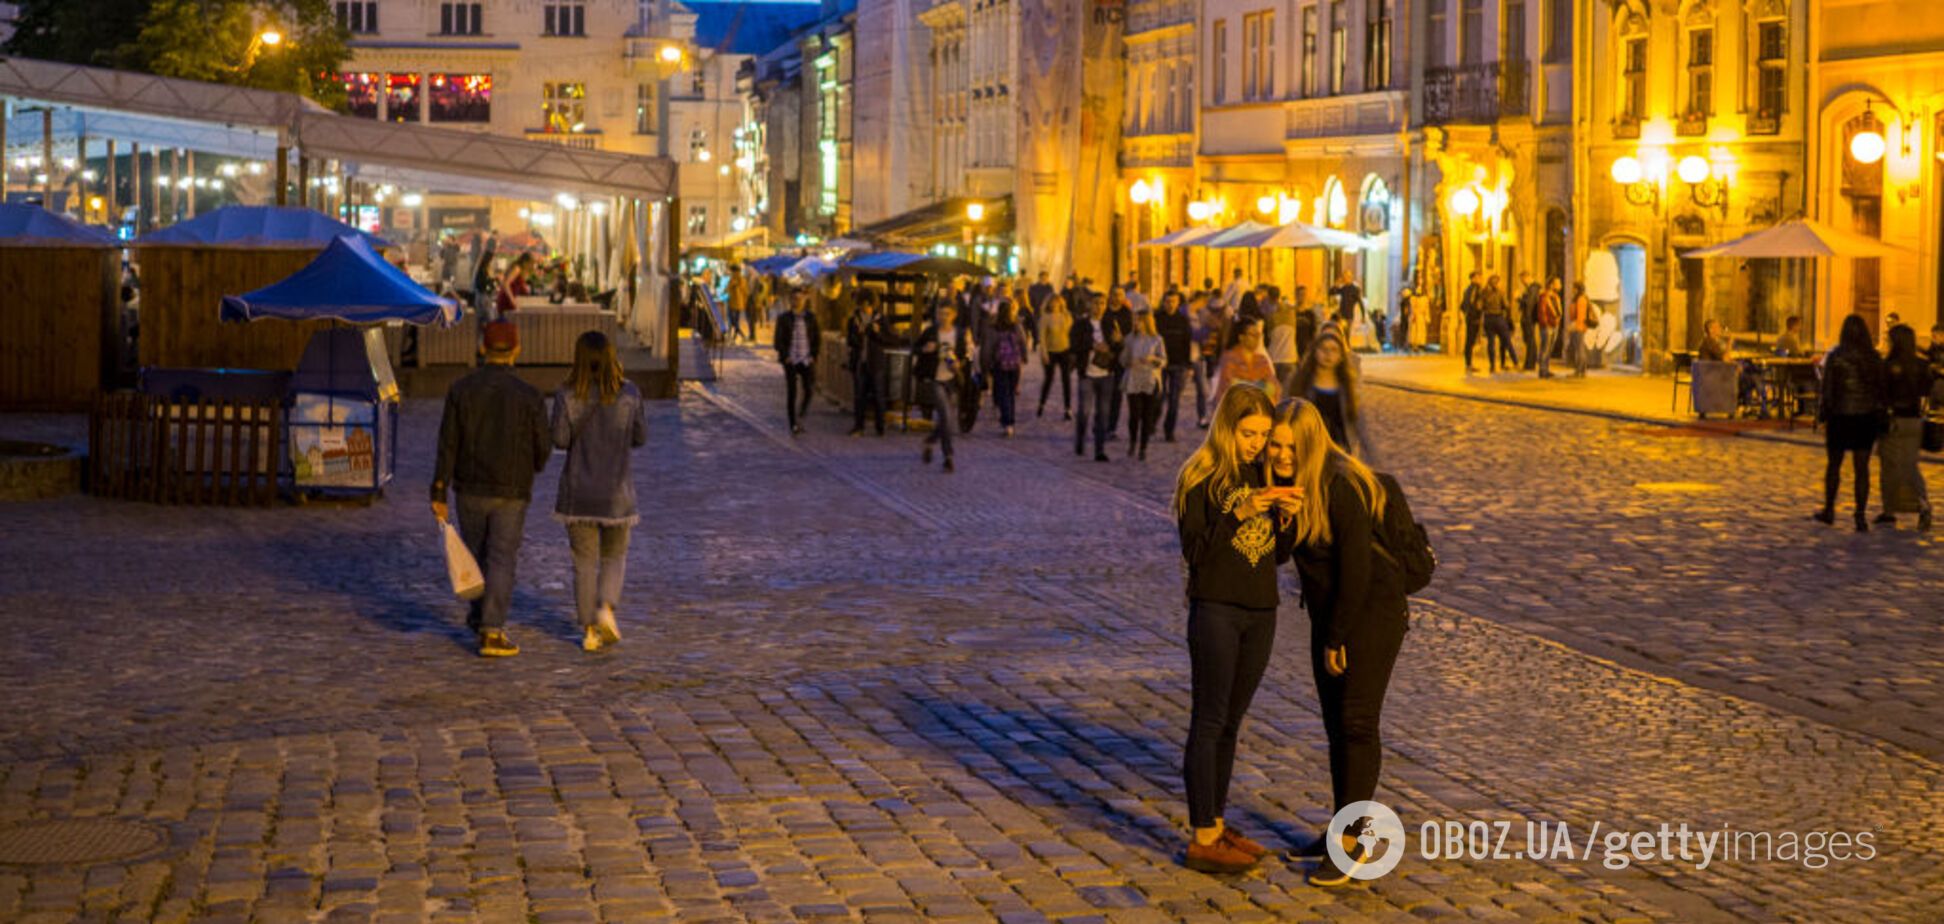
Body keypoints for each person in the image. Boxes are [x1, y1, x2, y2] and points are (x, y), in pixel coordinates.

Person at [1270, 398, 1407, 888]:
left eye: (1290, 446)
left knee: (1356, 722)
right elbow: (1282, 556)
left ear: (1310, 442)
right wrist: (1281, 512)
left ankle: (1354, 843)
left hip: (1370, 613)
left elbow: (1357, 570)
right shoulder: (1295, 484)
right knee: (1334, 725)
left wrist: (1338, 637)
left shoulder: (1341, 484)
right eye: (1276, 445)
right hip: (1333, 615)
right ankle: (1339, 829)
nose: (1282, 454)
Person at [1172, 383, 1296, 875]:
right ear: (1227, 427)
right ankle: (1202, 836)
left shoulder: (1260, 471)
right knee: (1208, 719)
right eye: (1249, 434)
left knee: (1231, 722)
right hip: (1216, 610)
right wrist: (1239, 512)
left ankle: (1218, 823)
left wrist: (1286, 519)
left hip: (1261, 611)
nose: (1257, 444)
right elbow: (1196, 552)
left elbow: (1276, 555)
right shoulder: (1200, 477)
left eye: (1263, 435)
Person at [431, 321, 552, 658]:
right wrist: (533, 467)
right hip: (512, 487)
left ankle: (478, 615)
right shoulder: (529, 395)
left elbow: (447, 444)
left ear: (483, 349)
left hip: (469, 486)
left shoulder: (461, 389)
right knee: (501, 557)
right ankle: (492, 629)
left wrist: (439, 490)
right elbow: (543, 445)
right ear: (516, 350)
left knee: (476, 552)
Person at [550, 331, 647, 653]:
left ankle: (589, 629)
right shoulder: (630, 393)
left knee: (584, 562)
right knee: (614, 556)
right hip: (617, 493)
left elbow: (560, 440)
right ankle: (606, 607)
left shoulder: (566, 395)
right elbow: (639, 437)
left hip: (578, 493)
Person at [1815, 314, 1889, 531]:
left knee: (1834, 466)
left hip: (1840, 415)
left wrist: (1823, 415)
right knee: (1862, 468)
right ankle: (1860, 515)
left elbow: (1827, 388)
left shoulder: (1837, 356)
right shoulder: (1874, 357)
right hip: (1865, 417)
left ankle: (1829, 509)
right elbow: (1881, 389)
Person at [1877, 324, 1934, 530]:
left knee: (1889, 467)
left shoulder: (1888, 364)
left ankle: (1889, 510)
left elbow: (1882, 393)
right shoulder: (1921, 364)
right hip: (1914, 419)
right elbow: (1927, 390)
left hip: (1893, 420)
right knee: (1910, 465)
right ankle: (1923, 502)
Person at [1287, 327, 1372, 460]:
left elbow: (1361, 428)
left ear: (1340, 356)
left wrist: (1373, 463)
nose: (1328, 354)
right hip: (1309, 450)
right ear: (1315, 352)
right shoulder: (1300, 382)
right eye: (1323, 349)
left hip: (1340, 451)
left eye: (1333, 350)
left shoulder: (1348, 387)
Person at [913, 303, 967, 473]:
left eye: (947, 314)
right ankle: (948, 457)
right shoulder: (930, 332)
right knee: (945, 415)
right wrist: (925, 349)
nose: (943, 317)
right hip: (935, 378)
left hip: (952, 379)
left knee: (947, 420)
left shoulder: (959, 333)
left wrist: (960, 363)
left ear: (954, 315)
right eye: (940, 313)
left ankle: (930, 441)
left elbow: (966, 354)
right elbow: (914, 348)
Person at [1073, 294, 1118, 462]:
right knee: (1084, 411)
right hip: (1087, 374)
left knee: (1103, 414)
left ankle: (1100, 449)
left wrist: (1115, 344)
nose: (1099, 307)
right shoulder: (1081, 324)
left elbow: (1118, 347)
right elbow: (1074, 344)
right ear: (1089, 305)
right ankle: (1080, 439)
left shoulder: (1109, 323)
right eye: (1096, 303)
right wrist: (1092, 345)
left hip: (1106, 374)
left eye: (1102, 303)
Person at [773, 289, 820, 435]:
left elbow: (817, 338)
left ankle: (801, 415)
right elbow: (778, 340)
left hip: (806, 359)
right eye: (794, 299)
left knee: (809, 390)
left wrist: (813, 355)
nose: (797, 301)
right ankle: (793, 423)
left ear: (804, 300)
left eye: (800, 299)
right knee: (792, 392)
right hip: (791, 359)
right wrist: (785, 355)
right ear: (790, 300)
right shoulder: (784, 318)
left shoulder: (811, 318)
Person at [1122, 310, 1167, 460]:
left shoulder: (1157, 339)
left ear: (1146, 322)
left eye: (1139, 320)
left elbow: (1163, 360)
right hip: (1133, 379)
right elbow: (1122, 360)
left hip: (1150, 379)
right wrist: (1129, 361)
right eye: (1134, 320)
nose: (1136, 323)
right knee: (1134, 414)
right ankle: (1132, 442)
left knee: (1147, 415)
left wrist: (1152, 359)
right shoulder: (1129, 339)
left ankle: (1143, 447)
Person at [845, 291, 892, 437]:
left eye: (867, 305)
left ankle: (880, 427)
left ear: (872, 304)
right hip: (860, 362)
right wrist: (858, 334)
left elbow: (889, 339)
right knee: (859, 396)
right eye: (862, 305)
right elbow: (850, 341)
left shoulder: (880, 319)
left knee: (878, 395)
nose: (864, 308)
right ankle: (859, 426)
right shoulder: (854, 319)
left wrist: (877, 333)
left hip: (876, 363)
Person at [1156, 291, 1197, 443]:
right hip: (1160, 364)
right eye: (1167, 301)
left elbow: (1187, 342)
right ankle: (1153, 421)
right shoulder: (1157, 318)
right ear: (1163, 302)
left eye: (1173, 301)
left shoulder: (1183, 320)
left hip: (1178, 364)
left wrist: (1188, 364)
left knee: (1174, 400)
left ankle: (1169, 430)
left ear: (1178, 303)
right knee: (1157, 397)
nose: (1170, 304)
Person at [988, 299, 1029, 438]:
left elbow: (991, 346)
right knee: (1011, 393)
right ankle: (1010, 422)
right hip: (1015, 364)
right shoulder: (1016, 325)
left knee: (1003, 393)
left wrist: (988, 362)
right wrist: (1024, 357)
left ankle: (1006, 422)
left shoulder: (995, 327)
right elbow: (1023, 342)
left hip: (1000, 364)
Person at [1214, 318, 1280, 402]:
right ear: (1241, 337)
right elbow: (1231, 385)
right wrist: (1262, 387)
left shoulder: (1261, 359)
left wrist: (1246, 384)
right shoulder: (1230, 358)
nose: (1257, 339)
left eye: (1258, 335)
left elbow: (1274, 387)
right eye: (1253, 335)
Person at [1037, 292, 1075, 420]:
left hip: (1065, 351)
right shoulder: (1045, 317)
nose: (1054, 304)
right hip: (1051, 352)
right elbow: (1041, 337)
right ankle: (1041, 404)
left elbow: (1071, 332)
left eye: (1057, 302)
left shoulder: (1066, 316)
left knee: (1066, 380)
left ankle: (1068, 408)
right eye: (1052, 302)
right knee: (1049, 379)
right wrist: (1044, 353)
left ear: (1061, 303)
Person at [1194, 293, 1228, 428]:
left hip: (1218, 360)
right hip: (1204, 359)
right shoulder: (1204, 325)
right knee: (1204, 391)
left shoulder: (1225, 327)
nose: (1215, 315)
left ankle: (1212, 417)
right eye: (1213, 311)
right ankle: (1203, 417)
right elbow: (1196, 338)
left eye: (1218, 312)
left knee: (1214, 391)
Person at [1481, 275, 1515, 372]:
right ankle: (1514, 362)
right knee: (1506, 341)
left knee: (1491, 343)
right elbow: (1506, 305)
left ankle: (1492, 366)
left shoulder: (1484, 293)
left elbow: (1480, 306)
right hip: (1498, 318)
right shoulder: (1501, 292)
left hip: (1488, 318)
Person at [1267, 289, 1300, 388]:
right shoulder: (1292, 317)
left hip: (1274, 358)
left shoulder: (1271, 318)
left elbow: (1268, 336)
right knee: (1288, 393)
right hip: (1290, 357)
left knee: (1274, 392)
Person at [1535, 277, 1563, 379]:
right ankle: (1542, 370)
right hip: (1547, 326)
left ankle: (1546, 368)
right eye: (1558, 283)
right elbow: (1542, 312)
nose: (1560, 285)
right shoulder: (1544, 296)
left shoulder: (1556, 297)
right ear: (1551, 285)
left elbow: (1558, 311)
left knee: (1549, 349)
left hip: (1555, 325)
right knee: (1545, 348)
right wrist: (1545, 324)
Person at [1459, 271, 1484, 372]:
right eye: (1478, 277)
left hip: (1470, 317)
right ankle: (1468, 364)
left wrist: (1467, 314)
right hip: (1473, 319)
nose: (1480, 279)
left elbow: (1462, 306)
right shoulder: (1475, 289)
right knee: (1470, 341)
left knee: (1470, 341)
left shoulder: (1467, 290)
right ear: (1473, 278)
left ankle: (1468, 363)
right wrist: (1475, 315)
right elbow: (1475, 304)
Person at [1516, 272, 1540, 371]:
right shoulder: (1531, 288)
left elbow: (1529, 303)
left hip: (1529, 318)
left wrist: (1518, 298)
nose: (1522, 283)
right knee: (1529, 340)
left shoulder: (1533, 289)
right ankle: (1529, 363)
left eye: (1523, 280)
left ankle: (1530, 364)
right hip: (1528, 317)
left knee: (1530, 341)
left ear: (1527, 277)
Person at [1566, 281, 1590, 378]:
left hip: (1578, 327)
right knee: (1580, 349)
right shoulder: (1579, 298)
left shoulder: (1581, 299)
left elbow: (1580, 315)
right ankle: (1581, 371)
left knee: (1579, 350)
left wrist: (1575, 326)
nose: (1572, 289)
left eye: (1574, 287)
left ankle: (1579, 371)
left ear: (1577, 288)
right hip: (1579, 326)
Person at [727, 265, 749, 344]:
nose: (732, 273)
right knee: (734, 321)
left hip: (736, 303)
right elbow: (727, 289)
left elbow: (744, 291)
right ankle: (734, 338)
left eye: (733, 271)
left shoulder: (740, 280)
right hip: (733, 303)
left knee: (734, 322)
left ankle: (741, 336)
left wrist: (744, 302)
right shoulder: (733, 279)